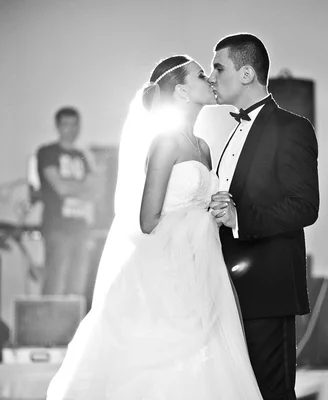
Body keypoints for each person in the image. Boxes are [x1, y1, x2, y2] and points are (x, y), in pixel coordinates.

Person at [46, 55, 263, 399]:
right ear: (180, 91)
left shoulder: (203, 146)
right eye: (200, 75)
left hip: (204, 265)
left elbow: (199, 203)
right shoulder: (166, 141)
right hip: (167, 268)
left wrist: (218, 212)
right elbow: (148, 219)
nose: (209, 79)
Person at [207, 33, 320, 400]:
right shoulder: (229, 129)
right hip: (226, 288)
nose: (212, 76)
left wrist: (240, 218)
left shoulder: (292, 128)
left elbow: (305, 206)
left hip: (267, 290)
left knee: (271, 393)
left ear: (245, 74)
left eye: (218, 67)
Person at [36, 107, 99, 298]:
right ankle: (49, 327)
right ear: (58, 126)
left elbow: (95, 190)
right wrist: (82, 186)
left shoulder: (82, 156)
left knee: (78, 287)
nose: (70, 129)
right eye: (65, 124)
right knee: (55, 283)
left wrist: (74, 187)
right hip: (57, 227)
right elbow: (60, 187)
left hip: (81, 228)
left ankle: (73, 328)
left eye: (74, 124)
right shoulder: (47, 152)